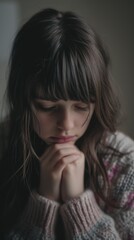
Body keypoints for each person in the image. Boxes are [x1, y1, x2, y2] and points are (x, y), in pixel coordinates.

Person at [0, 7, 134, 240]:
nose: (66, 124)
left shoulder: (125, 164)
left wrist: (79, 205)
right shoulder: (2, 145)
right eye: (48, 107)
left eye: (81, 107)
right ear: (22, 99)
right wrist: (44, 204)